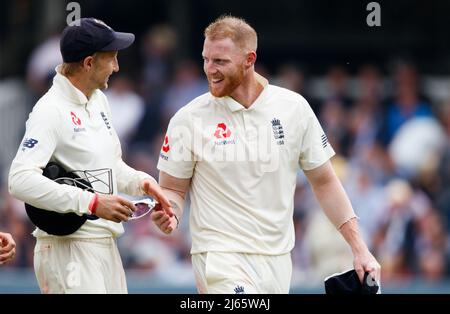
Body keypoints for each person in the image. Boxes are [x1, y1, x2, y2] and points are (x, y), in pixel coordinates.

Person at [151, 15, 380, 294]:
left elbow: (325, 182)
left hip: (279, 261)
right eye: (205, 59)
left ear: (249, 59)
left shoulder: (293, 108)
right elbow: (173, 189)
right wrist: (170, 212)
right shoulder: (187, 119)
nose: (209, 69)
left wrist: (359, 248)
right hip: (220, 259)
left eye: (220, 61)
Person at [8, 18, 173, 293]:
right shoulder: (50, 110)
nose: (117, 67)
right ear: (88, 63)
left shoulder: (99, 101)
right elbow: (20, 180)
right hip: (68, 251)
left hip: (106, 246)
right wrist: (93, 203)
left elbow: (111, 167)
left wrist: (142, 182)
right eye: (112, 59)